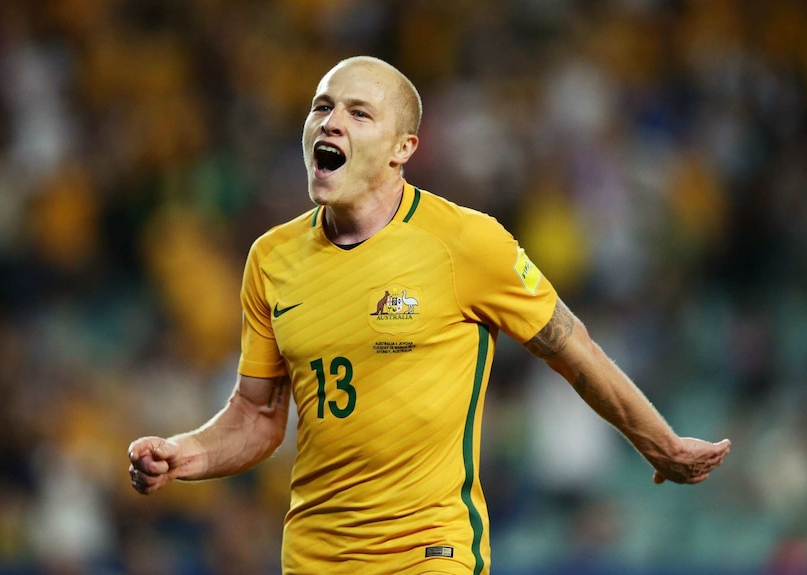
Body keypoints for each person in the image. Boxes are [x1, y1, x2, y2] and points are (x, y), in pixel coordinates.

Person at [128, 55, 731, 575]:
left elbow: (573, 350)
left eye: (359, 113)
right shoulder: (271, 259)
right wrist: (188, 455)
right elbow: (257, 415)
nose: (331, 121)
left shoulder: (467, 243)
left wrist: (660, 444)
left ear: (402, 149)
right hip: (314, 556)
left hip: (431, 548)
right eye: (322, 106)